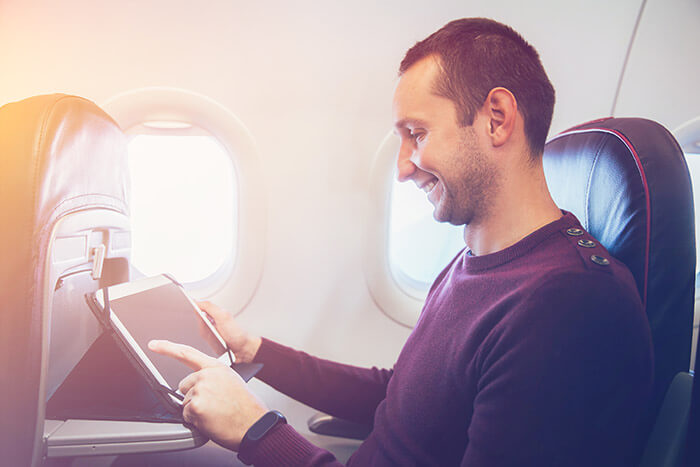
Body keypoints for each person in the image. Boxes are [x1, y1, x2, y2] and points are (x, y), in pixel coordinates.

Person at [150, 17, 653, 466]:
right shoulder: (474, 263)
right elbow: (401, 396)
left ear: (497, 118)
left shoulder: (569, 307)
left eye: (417, 133)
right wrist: (253, 348)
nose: (403, 166)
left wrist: (257, 433)